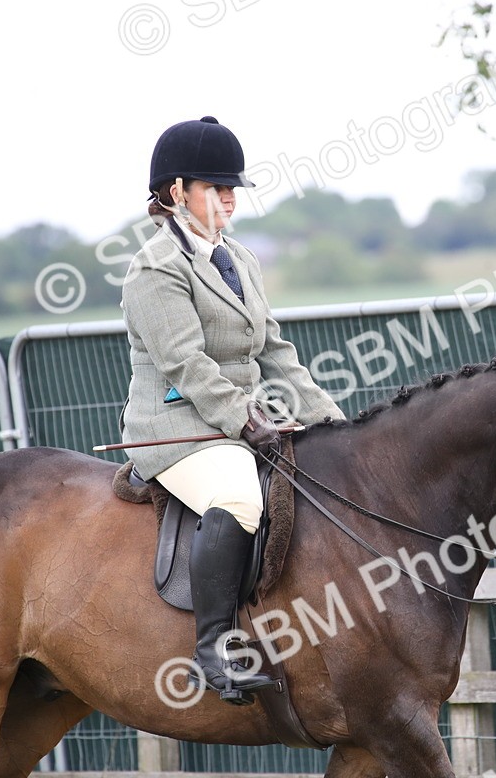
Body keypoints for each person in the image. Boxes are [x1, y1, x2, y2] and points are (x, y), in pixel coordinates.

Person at [120, 116, 345, 699]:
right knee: (239, 496)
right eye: (216, 186)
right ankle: (212, 648)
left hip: (235, 424)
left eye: (233, 187)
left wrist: (333, 422)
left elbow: (275, 351)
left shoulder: (240, 258)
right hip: (175, 429)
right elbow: (187, 365)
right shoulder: (155, 268)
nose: (230, 197)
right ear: (176, 193)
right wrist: (248, 421)